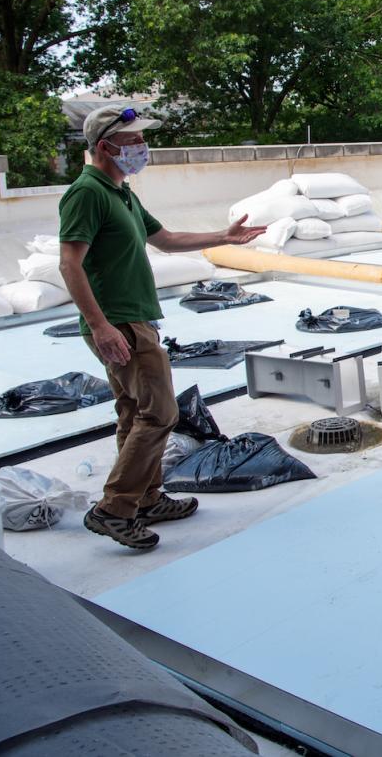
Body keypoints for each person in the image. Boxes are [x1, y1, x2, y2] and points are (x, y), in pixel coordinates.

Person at [59, 106, 265, 549]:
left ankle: (146, 499)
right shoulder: (87, 193)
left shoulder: (121, 192)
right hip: (119, 322)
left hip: (134, 318)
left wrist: (223, 238)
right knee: (161, 413)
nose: (140, 147)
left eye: (140, 140)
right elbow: (69, 262)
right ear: (103, 147)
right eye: (131, 141)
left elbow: (166, 240)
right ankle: (114, 509)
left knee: (134, 412)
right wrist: (100, 325)